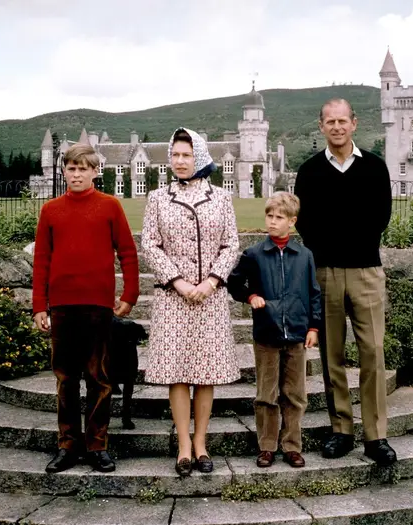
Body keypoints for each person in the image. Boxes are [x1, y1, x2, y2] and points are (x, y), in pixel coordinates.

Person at [294, 98, 397, 466]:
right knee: (331, 355)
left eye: (343, 121)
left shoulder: (374, 167)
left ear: (354, 123)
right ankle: (341, 430)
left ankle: (375, 435)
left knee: (372, 352)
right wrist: (330, 245)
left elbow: (380, 216)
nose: (337, 127)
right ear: (321, 126)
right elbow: (305, 223)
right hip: (325, 273)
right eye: (330, 122)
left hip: (366, 270)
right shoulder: (308, 172)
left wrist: (347, 238)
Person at [32, 143, 140, 474]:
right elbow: (42, 260)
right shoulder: (51, 210)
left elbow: (128, 252)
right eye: (71, 168)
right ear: (63, 171)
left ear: (95, 171)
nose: (76, 174)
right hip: (62, 305)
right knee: (66, 378)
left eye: (83, 168)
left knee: (99, 377)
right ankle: (68, 445)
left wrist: (130, 294)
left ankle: (97, 445)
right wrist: (40, 306)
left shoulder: (110, 206)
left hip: (98, 305)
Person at [141, 127, 240, 477]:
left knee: (206, 373)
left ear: (198, 156)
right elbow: (150, 244)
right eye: (175, 155)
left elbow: (231, 244)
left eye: (186, 155)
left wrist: (212, 280)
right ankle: (183, 445)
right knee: (178, 374)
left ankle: (201, 443)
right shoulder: (157, 198)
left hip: (210, 298)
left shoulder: (221, 198)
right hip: (173, 298)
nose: (180, 161)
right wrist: (179, 282)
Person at [227, 192, 321, 469]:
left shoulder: (304, 256)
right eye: (269, 216)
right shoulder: (254, 254)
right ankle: (266, 446)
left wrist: (313, 327)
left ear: (291, 222)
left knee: (294, 394)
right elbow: (234, 284)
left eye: (279, 218)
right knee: (266, 395)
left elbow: (314, 293)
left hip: (296, 335)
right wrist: (250, 296)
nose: (272, 222)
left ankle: (292, 446)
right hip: (266, 335)